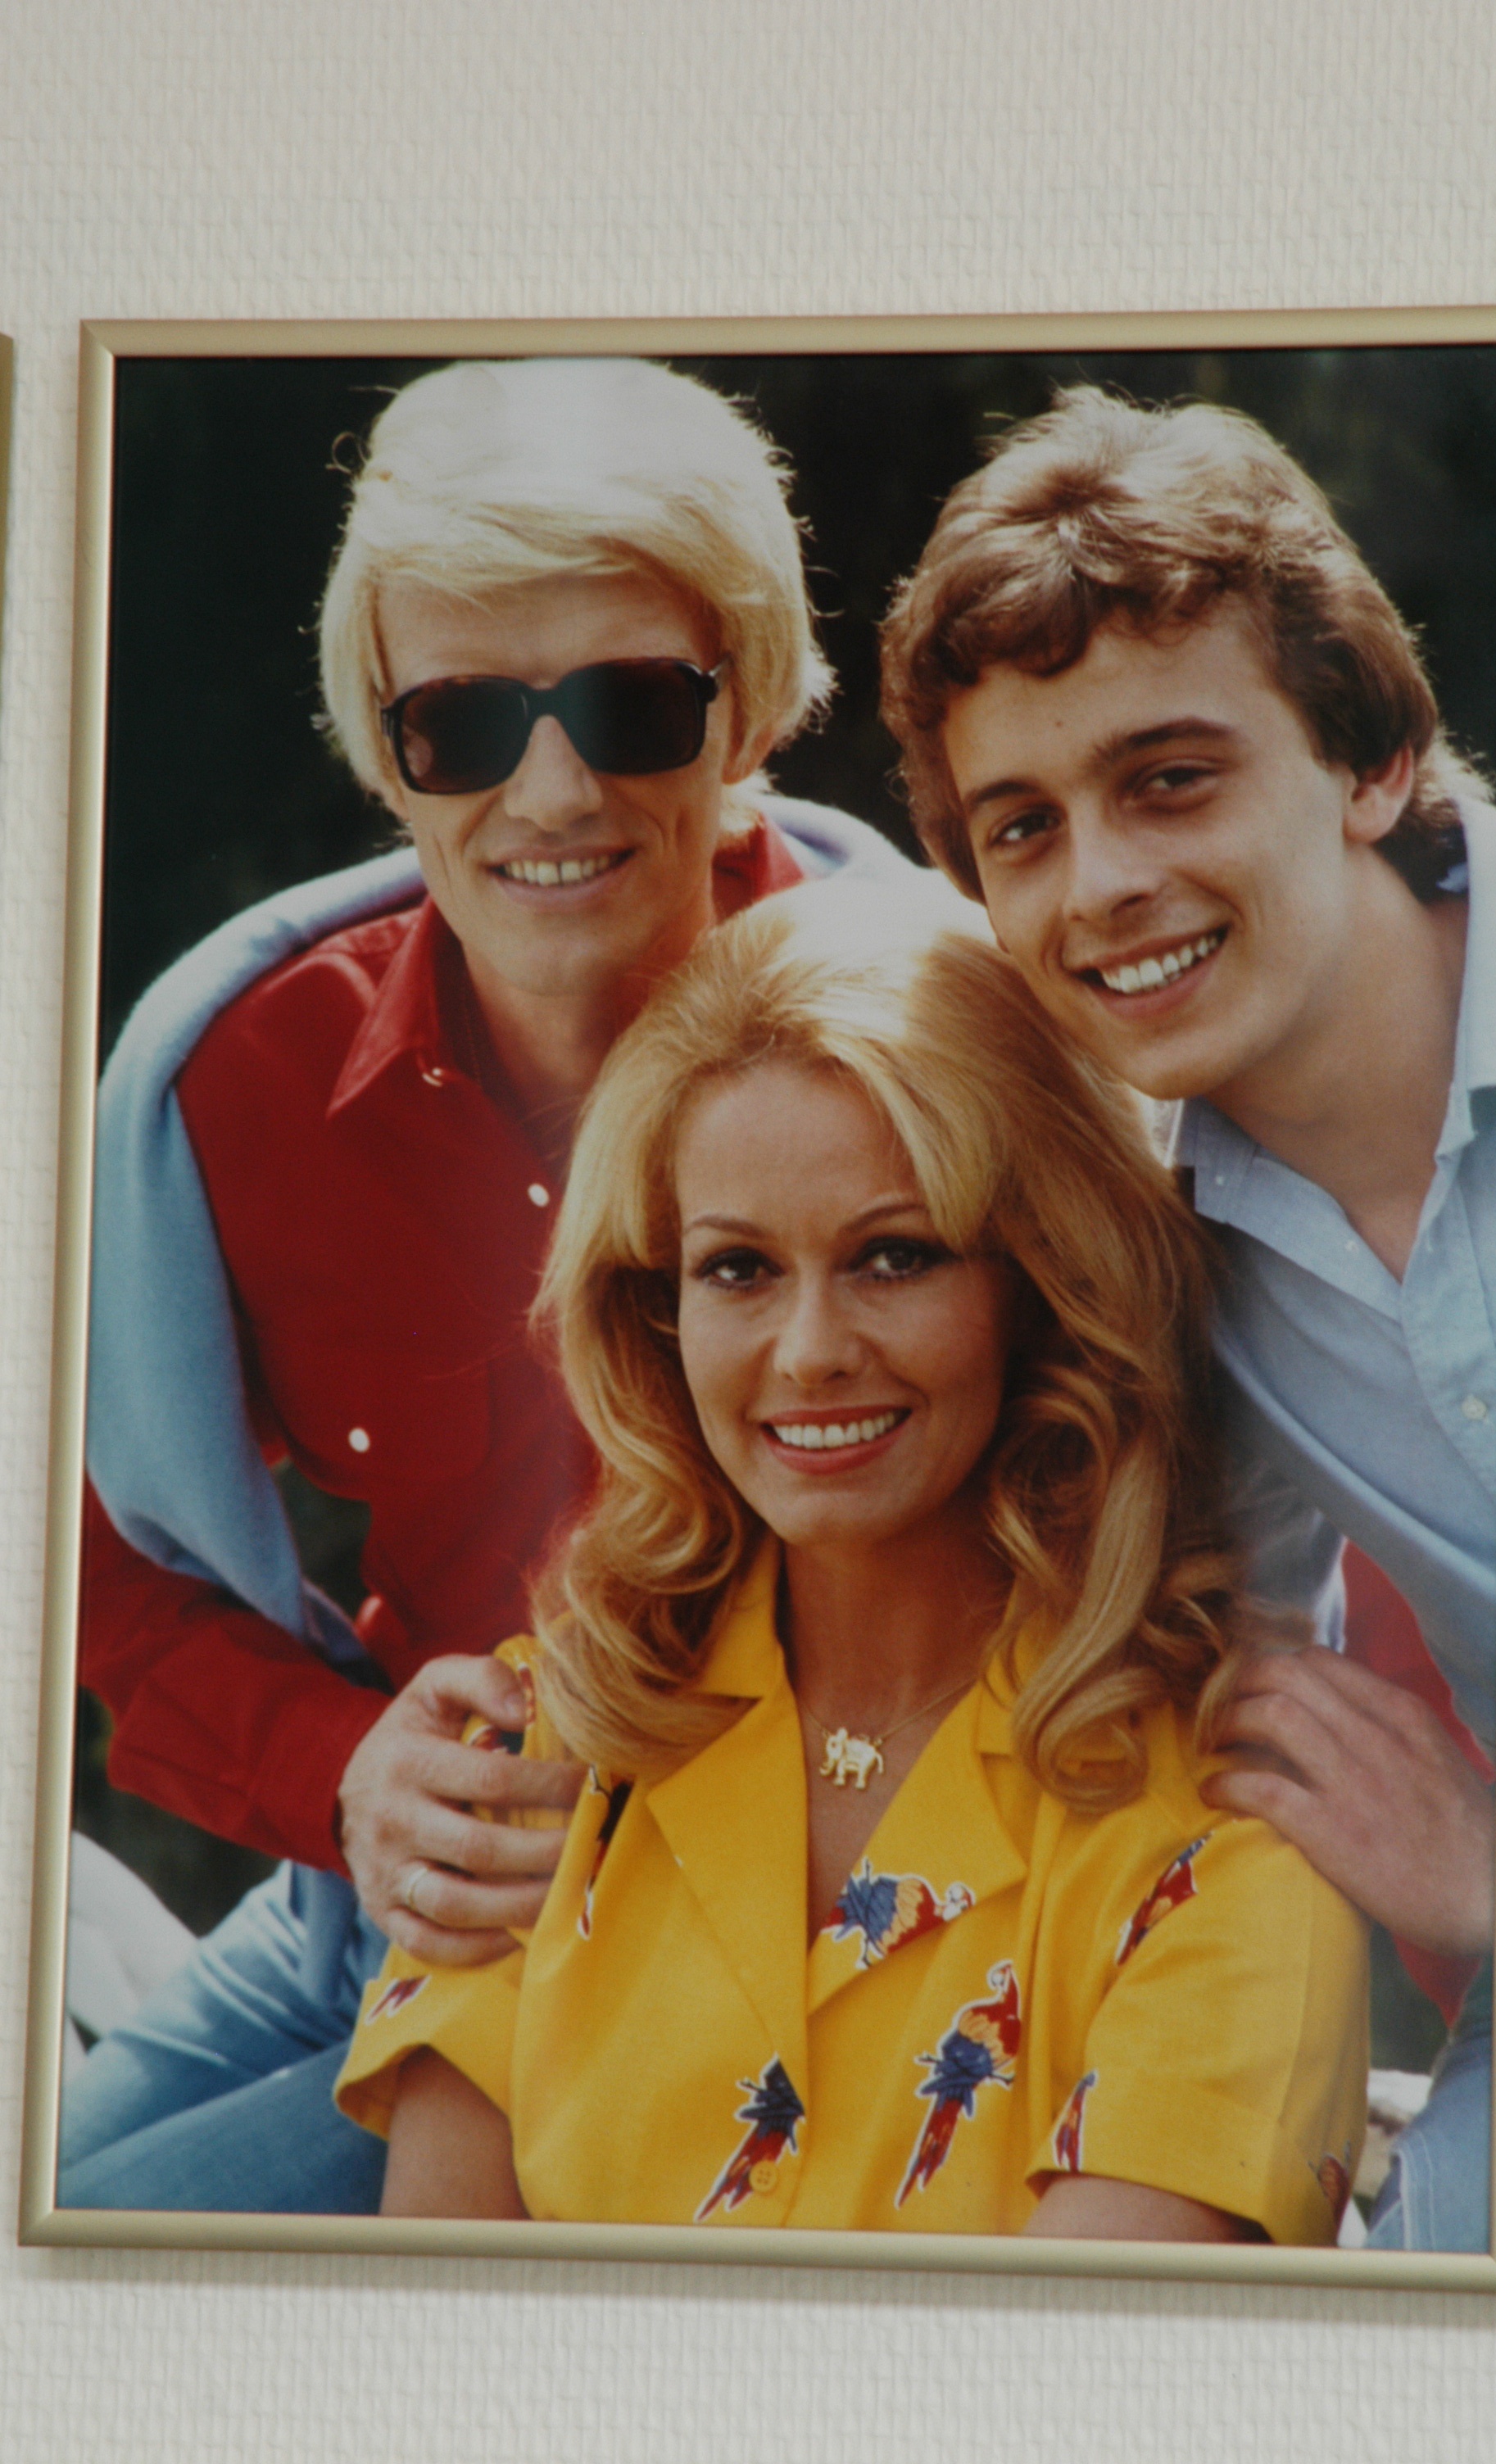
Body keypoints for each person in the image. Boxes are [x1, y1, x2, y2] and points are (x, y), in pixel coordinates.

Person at [63, 356, 911, 2213]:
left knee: (113, 2264)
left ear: (747, 706)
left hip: (750, 1928)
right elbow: (97, 1557)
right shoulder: (233, 1083)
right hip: (371, 1884)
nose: (551, 790)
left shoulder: (927, 1056)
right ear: (381, 745)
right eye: (461, 723)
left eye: (628, 704)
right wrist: (348, 1772)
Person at [335, 880, 1368, 2240]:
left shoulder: (1239, 1842)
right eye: (739, 1271)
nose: (810, 1350)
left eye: (894, 1256)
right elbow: (430, 2358)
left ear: (1041, 1283)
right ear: (658, 1307)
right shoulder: (534, 1759)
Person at [877, 384, 1496, 2250]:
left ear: (1371, 759)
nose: (1104, 887)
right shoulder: (1151, 1259)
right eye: (1021, 829)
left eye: (1170, 778)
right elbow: (1189, 1693)